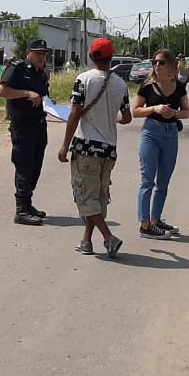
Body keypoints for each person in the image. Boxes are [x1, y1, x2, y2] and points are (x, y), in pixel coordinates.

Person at [58, 37, 132, 257]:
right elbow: (127, 117)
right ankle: (86, 241)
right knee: (98, 196)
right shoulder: (120, 84)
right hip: (109, 148)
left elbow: (74, 114)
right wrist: (111, 119)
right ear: (112, 57)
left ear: (91, 56)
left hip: (86, 146)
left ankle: (109, 238)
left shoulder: (83, 79)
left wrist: (64, 145)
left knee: (85, 196)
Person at [133, 48, 189, 240]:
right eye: (155, 62)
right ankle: (144, 223)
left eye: (162, 62)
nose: (157, 65)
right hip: (152, 132)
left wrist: (174, 113)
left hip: (170, 133)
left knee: (163, 181)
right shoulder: (148, 86)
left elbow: (186, 112)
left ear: (172, 66)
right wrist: (154, 108)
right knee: (147, 179)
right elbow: (135, 111)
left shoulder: (179, 86)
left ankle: (156, 220)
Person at [0, 38, 52, 225]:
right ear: (28, 52)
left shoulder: (42, 73)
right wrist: (26, 93)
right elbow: (2, 91)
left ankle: (28, 204)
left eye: (44, 54)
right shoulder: (18, 68)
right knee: (24, 166)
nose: (41, 57)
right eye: (38, 53)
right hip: (22, 126)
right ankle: (21, 210)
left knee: (36, 166)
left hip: (39, 125)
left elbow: (44, 96)